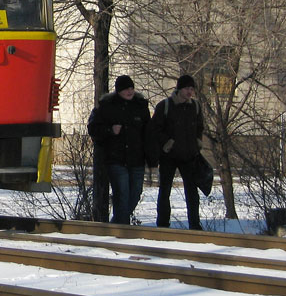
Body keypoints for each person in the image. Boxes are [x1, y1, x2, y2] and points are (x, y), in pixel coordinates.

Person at [88, 75, 152, 224]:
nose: (129, 91)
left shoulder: (140, 105)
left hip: (137, 159)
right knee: (122, 194)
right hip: (116, 159)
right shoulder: (107, 106)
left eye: (131, 88)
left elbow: (149, 133)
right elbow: (93, 128)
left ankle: (117, 223)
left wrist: (151, 158)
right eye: (125, 89)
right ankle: (122, 229)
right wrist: (110, 130)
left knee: (135, 193)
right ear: (118, 91)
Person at [151, 74, 205, 230]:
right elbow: (155, 128)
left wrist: (198, 141)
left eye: (192, 88)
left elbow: (200, 126)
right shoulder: (165, 105)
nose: (190, 91)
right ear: (179, 89)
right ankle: (162, 224)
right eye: (187, 88)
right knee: (165, 189)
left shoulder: (195, 106)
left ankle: (195, 224)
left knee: (192, 191)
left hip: (189, 155)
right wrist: (167, 143)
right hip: (169, 156)